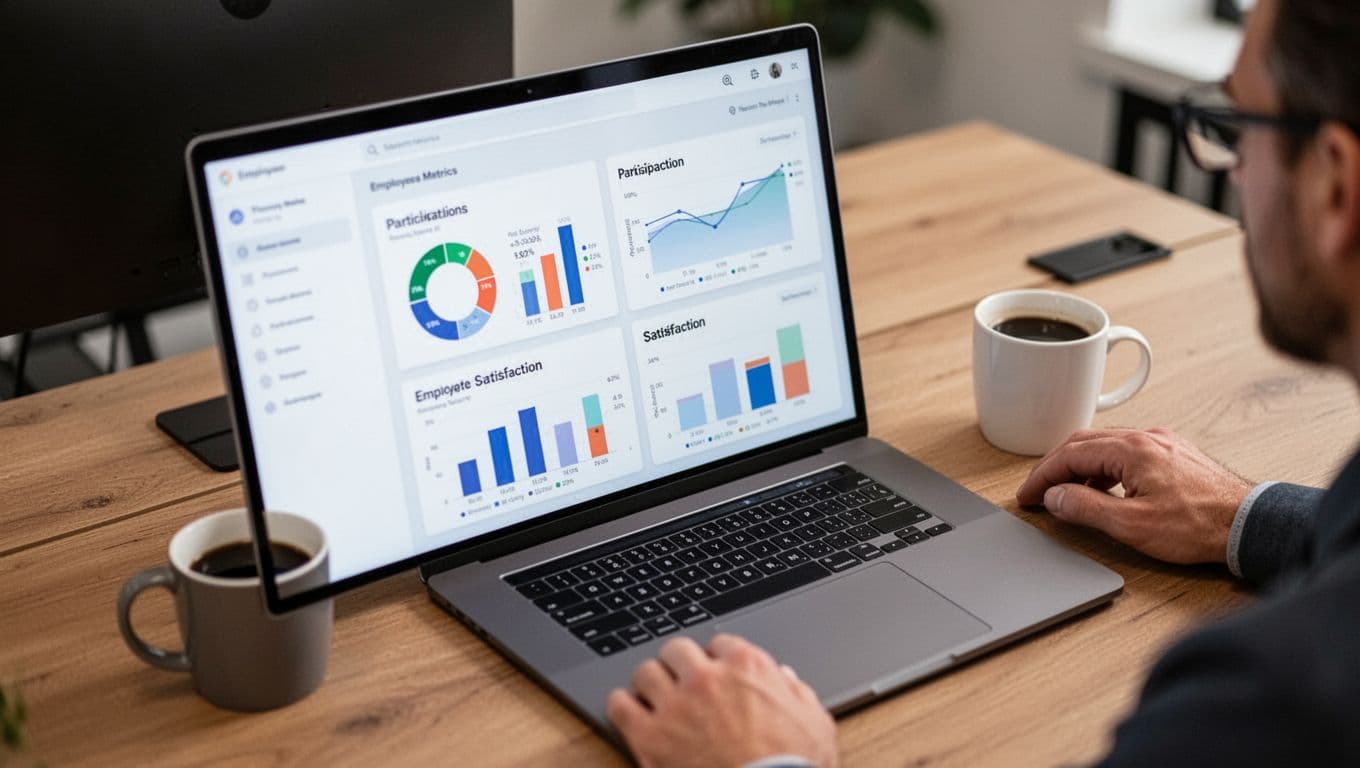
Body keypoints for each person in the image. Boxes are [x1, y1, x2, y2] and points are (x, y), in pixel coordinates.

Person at [605, 0, 1360, 764]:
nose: (1233, 168)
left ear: (1335, 185)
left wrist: (769, 760)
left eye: (1239, 127)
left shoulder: (1266, 701)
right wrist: (1247, 518)